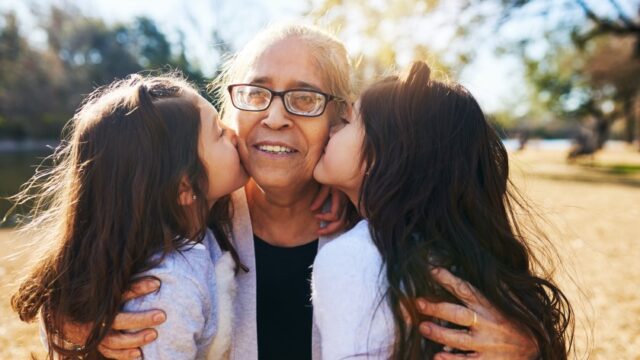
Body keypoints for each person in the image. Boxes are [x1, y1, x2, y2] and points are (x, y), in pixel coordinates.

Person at [83, 24, 539, 360]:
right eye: (257, 94)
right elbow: (90, 258)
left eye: (304, 99)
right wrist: (79, 329)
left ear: (340, 119)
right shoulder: (179, 217)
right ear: (230, 109)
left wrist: (527, 348)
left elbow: (496, 292)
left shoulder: (388, 227)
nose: (276, 118)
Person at [312, 61, 574, 359]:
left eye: (347, 122)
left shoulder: (351, 258)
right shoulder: (468, 257)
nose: (331, 129)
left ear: (385, 155)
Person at [11, 74, 248, 359]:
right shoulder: (168, 289)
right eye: (219, 133)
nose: (233, 133)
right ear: (185, 187)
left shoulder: (191, 238)